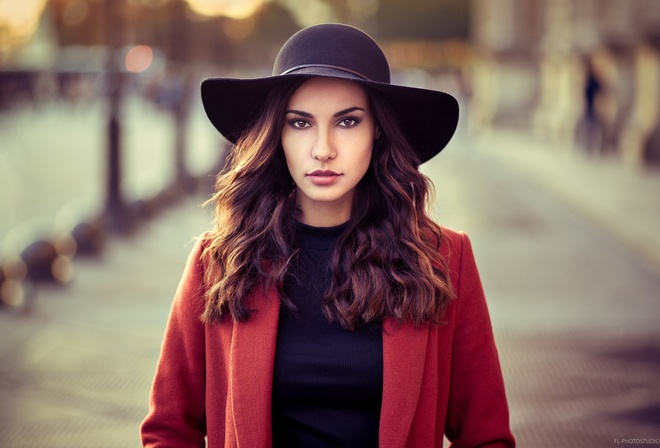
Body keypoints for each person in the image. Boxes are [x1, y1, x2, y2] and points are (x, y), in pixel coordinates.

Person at [141, 23, 515, 447]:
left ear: (377, 130)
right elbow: (168, 430)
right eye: (300, 123)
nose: (323, 149)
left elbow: (487, 436)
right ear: (276, 135)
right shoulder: (219, 262)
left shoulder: (445, 259)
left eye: (348, 121)